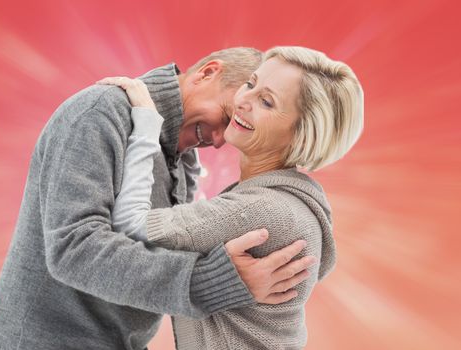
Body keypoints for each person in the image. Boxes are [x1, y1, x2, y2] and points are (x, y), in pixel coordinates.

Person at [0, 47, 317, 350]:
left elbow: (150, 242)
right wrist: (214, 281)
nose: (219, 140)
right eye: (227, 117)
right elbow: (74, 249)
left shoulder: (180, 153)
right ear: (208, 72)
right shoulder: (101, 113)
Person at [97, 45, 364, 349]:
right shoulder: (290, 202)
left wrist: (146, 122)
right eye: (250, 83)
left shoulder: (263, 211)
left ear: (301, 135)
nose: (243, 100)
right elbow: (193, 228)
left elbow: (131, 225)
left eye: (266, 101)